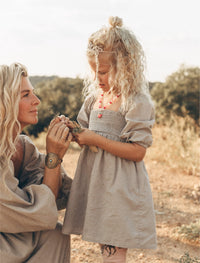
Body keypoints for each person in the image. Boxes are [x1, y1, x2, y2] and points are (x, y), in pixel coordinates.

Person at [63, 16, 157, 262]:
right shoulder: (94, 99)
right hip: (97, 181)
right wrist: (72, 130)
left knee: (114, 246)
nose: (97, 79)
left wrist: (96, 138)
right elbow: (85, 131)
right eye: (94, 72)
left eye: (103, 72)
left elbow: (138, 151)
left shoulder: (136, 101)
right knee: (105, 241)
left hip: (120, 185)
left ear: (125, 67)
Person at [0, 63, 72, 263]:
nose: (36, 101)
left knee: (56, 235)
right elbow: (39, 214)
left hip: (10, 237)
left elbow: (51, 196)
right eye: (25, 95)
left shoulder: (23, 147)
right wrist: (54, 156)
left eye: (33, 93)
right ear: (4, 102)